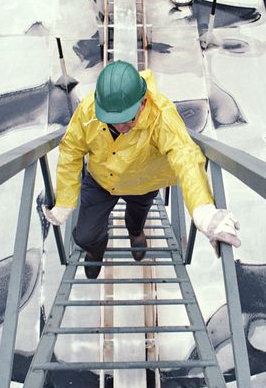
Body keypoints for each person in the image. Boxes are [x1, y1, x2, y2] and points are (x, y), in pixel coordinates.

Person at [43, 60, 240, 278]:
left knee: (137, 216)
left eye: (127, 119)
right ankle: (95, 249)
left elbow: (184, 154)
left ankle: (135, 232)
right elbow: (71, 150)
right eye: (112, 120)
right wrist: (65, 200)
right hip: (101, 181)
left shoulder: (160, 115)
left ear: (143, 103)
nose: (121, 127)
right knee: (84, 236)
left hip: (142, 183)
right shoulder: (88, 111)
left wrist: (203, 209)